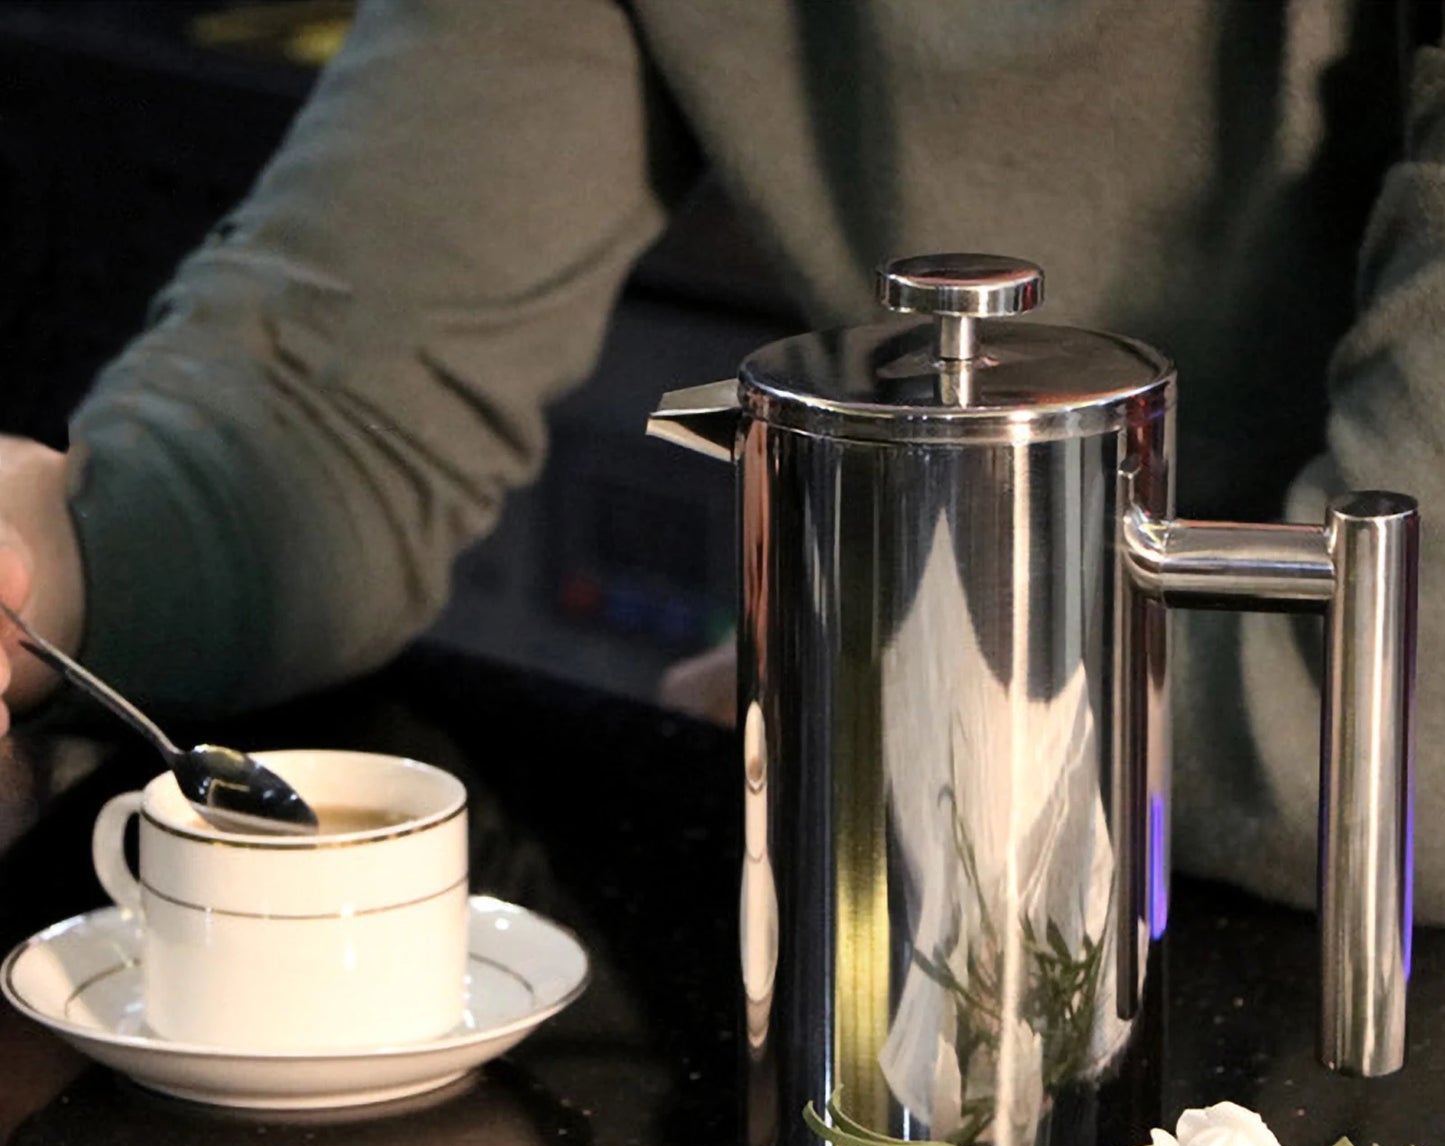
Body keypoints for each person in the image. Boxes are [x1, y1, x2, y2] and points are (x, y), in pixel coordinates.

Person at [0, 0, 1440, 922]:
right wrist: (51, 559)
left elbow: (1421, 714)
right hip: (929, 919)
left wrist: (863, 685)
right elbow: (329, 405)